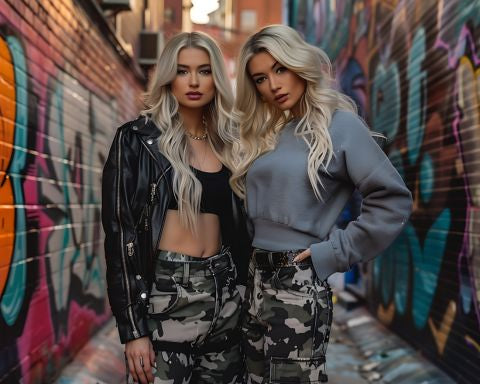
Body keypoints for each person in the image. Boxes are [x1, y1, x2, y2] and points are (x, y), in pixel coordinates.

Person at [230, 25, 413, 383]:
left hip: (297, 279)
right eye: (261, 78)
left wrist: (336, 251)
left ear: (300, 65)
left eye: (280, 69)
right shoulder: (273, 134)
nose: (273, 85)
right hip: (255, 280)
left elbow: (392, 200)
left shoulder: (340, 126)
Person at [102, 31, 250, 384]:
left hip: (225, 293)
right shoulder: (136, 140)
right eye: (183, 71)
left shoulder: (232, 144)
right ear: (168, 77)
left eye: (204, 70)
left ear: (218, 77)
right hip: (167, 294)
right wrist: (133, 330)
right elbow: (120, 234)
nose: (194, 81)